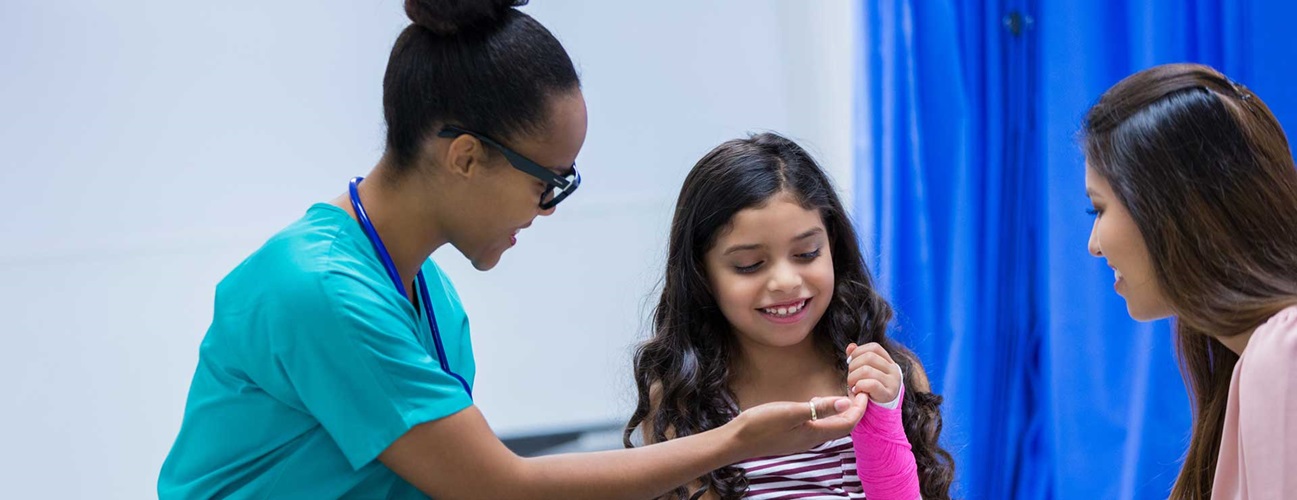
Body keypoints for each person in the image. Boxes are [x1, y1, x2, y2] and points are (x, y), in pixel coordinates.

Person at [157, 2, 867, 498]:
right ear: (466, 156)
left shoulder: (426, 294)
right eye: (548, 182)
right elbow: (499, 486)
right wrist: (737, 442)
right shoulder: (317, 291)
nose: (546, 210)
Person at [624, 133, 955, 499]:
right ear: (701, 275)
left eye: (807, 253)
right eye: (749, 265)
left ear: (833, 247)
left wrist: (884, 413)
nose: (785, 282)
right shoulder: (682, 402)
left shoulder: (893, 378)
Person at [1082, 63, 1297, 499]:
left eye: (1098, 210)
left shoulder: (1282, 355)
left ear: (1171, 209)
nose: (1094, 245)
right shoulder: (1255, 359)